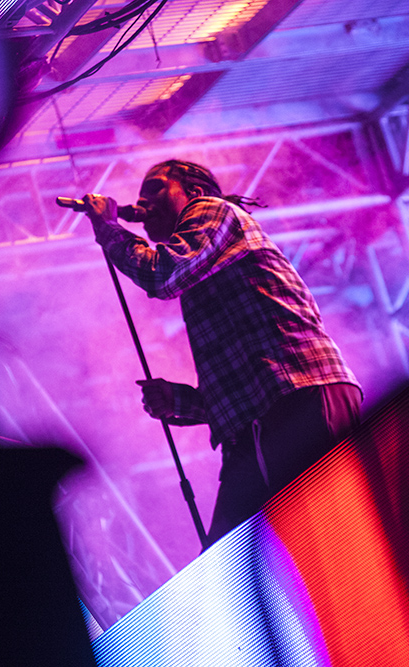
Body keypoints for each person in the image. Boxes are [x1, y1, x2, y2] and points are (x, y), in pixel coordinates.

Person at [82, 160, 362, 544]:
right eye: (142, 194)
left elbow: (162, 275)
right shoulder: (206, 264)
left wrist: (108, 228)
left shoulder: (213, 211)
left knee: (332, 538)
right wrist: (181, 399)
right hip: (260, 423)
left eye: (158, 188)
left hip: (301, 398)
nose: (144, 201)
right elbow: (247, 382)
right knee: (232, 566)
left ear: (193, 193)